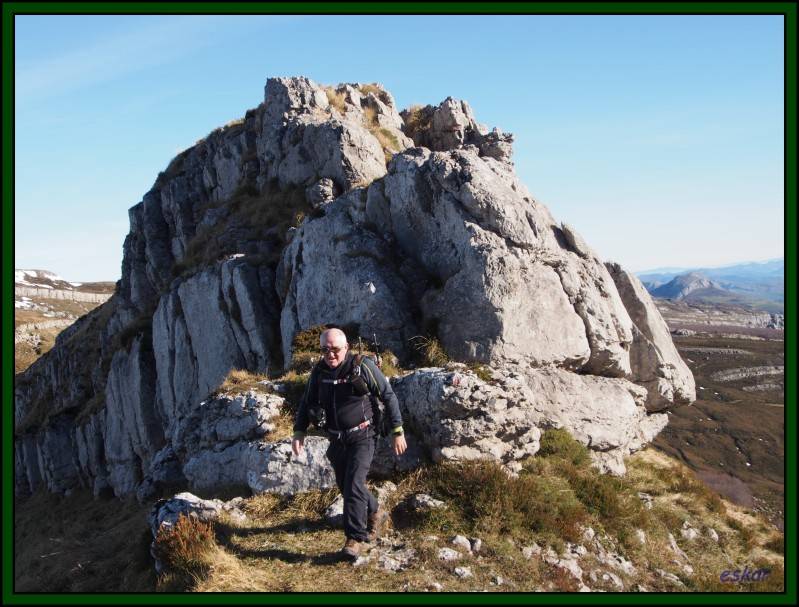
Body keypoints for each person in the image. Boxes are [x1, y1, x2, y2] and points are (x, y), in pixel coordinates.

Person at [292, 328, 407, 559]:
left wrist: (397, 430)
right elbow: (307, 401)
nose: (330, 354)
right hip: (336, 437)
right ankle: (375, 511)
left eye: (334, 349)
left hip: (363, 435)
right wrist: (299, 431)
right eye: (325, 349)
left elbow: (388, 395)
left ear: (346, 347)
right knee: (347, 486)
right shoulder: (319, 371)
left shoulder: (362, 366)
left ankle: (354, 538)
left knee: (354, 483)